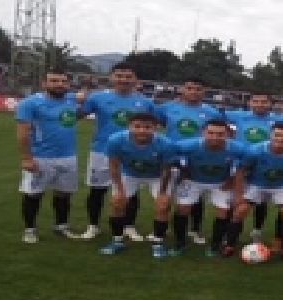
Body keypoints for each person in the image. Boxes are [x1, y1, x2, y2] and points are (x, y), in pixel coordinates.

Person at [76, 62, 155, 240]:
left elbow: (154, 125)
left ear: (135, 79)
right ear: (112, 77)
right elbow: (77, 116)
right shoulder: (97, 98)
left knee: (131, 192)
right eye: (119, 76)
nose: (123, 80)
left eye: (128, 76)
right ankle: (93, 226)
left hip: (132, 152)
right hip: (101, 151)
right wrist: (78, 101)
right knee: (97, 191)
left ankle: (129, 226)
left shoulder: (145, 102)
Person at [220, 122, 283, 261]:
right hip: (256, 184)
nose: (281, 138)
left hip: (282, 186)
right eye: (277, 135)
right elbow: (241, 172)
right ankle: (229, 245)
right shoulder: (255, 151)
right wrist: (239, 195)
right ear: (270, 135)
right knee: (240, 210)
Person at [154, 77, 222, 245]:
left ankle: (195, 229)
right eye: (189, 88)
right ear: (182, 89)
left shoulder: (212, 112)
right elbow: (158, 124)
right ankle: (164, 228)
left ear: (204, 92)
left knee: (196, 197)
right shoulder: (167, 108)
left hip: (198, 159)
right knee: (167, 194)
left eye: (198, 89)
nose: (193, 92)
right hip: (172, 158)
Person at [16, 69, 81, 243]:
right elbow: (23, 133)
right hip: (41, 157)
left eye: (63, 81)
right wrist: (27, 158)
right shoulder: (30, 103)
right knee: (33, 194)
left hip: (68, 156)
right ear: (44, 83)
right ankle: (30, 230)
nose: (60, 84)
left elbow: (83, 99)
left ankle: (61, 226)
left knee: (64, 194)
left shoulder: (72, 99)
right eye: (54, 81)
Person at [99, 113, 175, 259]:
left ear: (155, 128)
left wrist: (162, 193)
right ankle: (117, 241)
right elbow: (114, 167)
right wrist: (120, 190)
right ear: (129, 126)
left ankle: (158, 243)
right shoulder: (115, 140)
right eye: (137, 126)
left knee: (163, 205)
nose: (142, 130)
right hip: (129, 174)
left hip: (156, 175)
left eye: (147, 127)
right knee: (117, 203)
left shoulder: (165, 143)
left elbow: (167, 170)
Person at [168, 120, 245, 256]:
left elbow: (245, 166)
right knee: (182, 209)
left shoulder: (238, 149)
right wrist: (183, 170)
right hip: (192, 181)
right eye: (211, 133)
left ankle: (215, 245)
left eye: (220, 134)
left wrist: (232, 179)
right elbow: (169, 156)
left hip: (221, 182)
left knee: (223, 211)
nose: (215, 137)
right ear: (203, 132)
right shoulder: (187, 145)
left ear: (228, 135)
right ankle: (180, 242)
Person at [224, 93, 283, 244]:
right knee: (235, 200)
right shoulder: (238, 116)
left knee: (261, 200)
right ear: (250, 103)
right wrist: (230, 134)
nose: (260, 104)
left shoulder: (281, 120)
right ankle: (230, 234)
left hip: (265, 165)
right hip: (242, 165)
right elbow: (215, 119)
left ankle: (257, 230)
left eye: (264, 102)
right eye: (256, 101)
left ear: (270, 104)